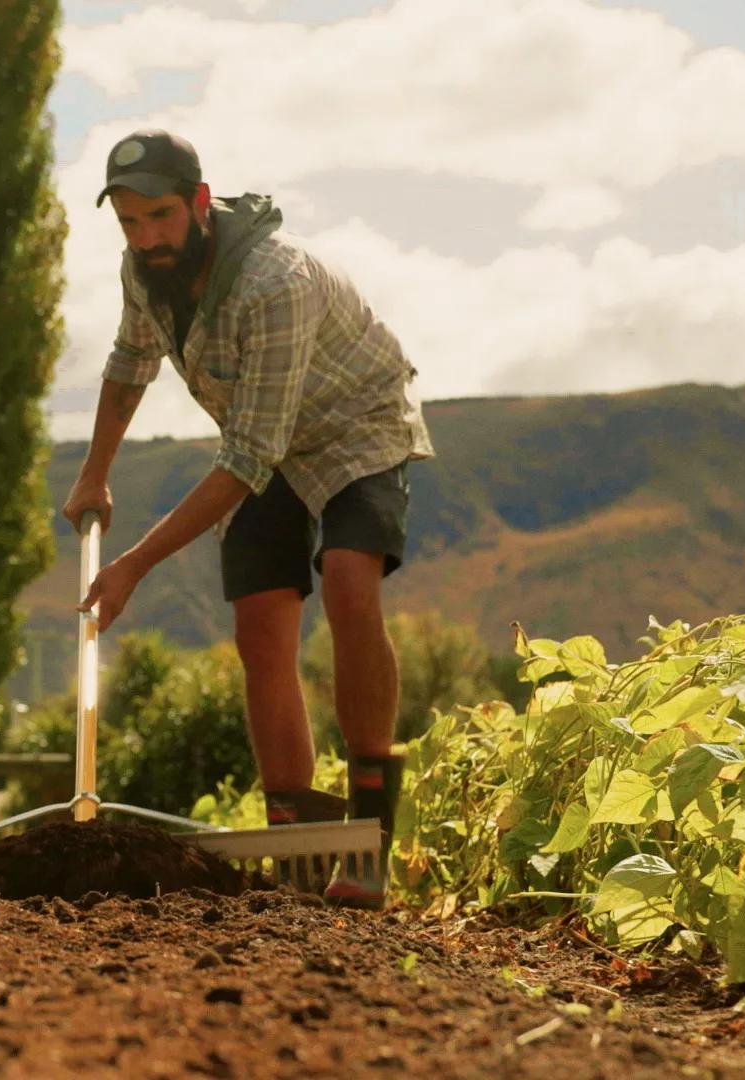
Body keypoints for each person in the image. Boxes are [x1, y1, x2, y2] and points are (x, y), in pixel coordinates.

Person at [66, 129, 434, 907]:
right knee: (261, 628)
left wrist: (132, 562)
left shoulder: (275, 280)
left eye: (161, 217)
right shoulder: (144, 272)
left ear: (200, 203)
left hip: (353, 425)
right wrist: (94, 472)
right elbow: (130, 363)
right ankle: (294, 852)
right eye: (130, 223)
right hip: (260, 436)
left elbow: (246, 460)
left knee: (345, 584)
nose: (147, 237)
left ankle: (366, 839)